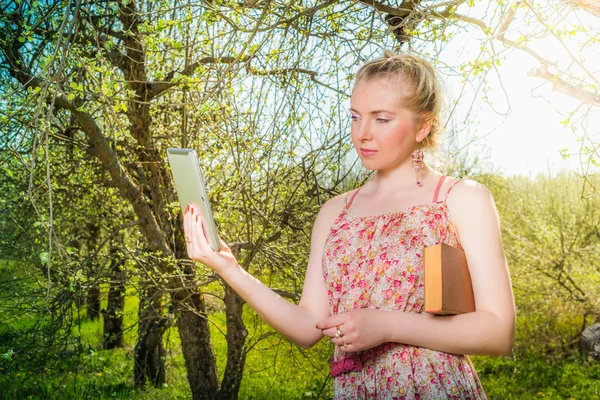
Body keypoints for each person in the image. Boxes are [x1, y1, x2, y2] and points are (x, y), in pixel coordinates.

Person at [182, 51, 515, 399]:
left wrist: (387, 325)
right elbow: (308, 327)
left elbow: (498, 331)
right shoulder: (335, 212)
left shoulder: (461, 199)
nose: (362, 134)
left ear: (424, 125)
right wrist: (228, 268)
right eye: (355, 117)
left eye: (381, 119)